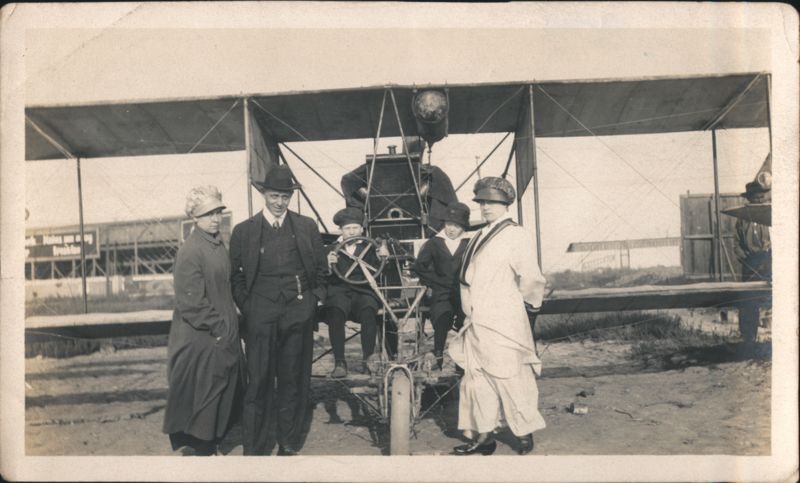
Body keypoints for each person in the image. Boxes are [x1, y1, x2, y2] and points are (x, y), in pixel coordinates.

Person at [229, 165, 327, 456]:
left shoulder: (306, 226)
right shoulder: (244, 231)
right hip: (260, 316)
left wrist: (313, 302)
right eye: (274, 196)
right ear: (264, 195)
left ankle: (288, 443)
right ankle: (256, 448)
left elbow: (322, 271)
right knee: (258, 381)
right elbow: (236, 277)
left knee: (293, 380)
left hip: (298, 313)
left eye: (285, 196)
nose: (279, 202)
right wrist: (249, 307)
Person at [447, 176, 546, 456]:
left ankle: (523, 433)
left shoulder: (516, 235)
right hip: (476, 321)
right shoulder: (478, 235)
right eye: (482, 202)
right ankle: (483, 435)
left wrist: (530, 311)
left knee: (509, 376)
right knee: (477, 379)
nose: (486, 207)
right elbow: (467, 280)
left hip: (504, 319)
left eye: (493, 202)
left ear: (506, 204)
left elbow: (532, 278)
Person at [163, 186, 243, 456]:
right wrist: (220, 329)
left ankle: (212, 442)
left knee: (225, 389)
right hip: (202, 334)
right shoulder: (191, 250)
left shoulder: (219, 244)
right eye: (208, 214)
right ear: (195, 218)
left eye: (218, 212)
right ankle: (201, 447)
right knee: (207, 391)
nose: (215, 219)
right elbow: (190, 303)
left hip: (223, 329)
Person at [322, 207, 384, 378]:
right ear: (341, 230)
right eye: (348, 228)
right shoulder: (329, 250)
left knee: (368, 310)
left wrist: (382, 257)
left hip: (363, 290)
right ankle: (340, 362)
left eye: (355, 228)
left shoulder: (371, 248)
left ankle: (368, 360)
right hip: (339, 291)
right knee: (335, 311)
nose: (352, 232)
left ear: (362, 229)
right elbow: (321, 275)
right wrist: (328, 265)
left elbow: (381, 270)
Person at [412, 201, 471, 369]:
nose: (451, 229)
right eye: (448, 224)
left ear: (463, 227)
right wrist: (435, 282)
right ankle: (438, 355)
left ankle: (463, 359)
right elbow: (419, 267)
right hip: (441, 292)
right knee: (441, 317)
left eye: (456, 226)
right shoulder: (434, 243)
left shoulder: (469, 243)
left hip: (464, 291)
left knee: (465, 320)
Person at [734, 174, 772, 344]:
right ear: (749, 199)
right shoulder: (742, 220)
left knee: (771, 295)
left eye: (760, 197)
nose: (757, 200)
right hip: (749, 263)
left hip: (767, 260)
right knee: (748, 298)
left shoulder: (770, 215)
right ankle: (749, 336)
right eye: (754, 197)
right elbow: (736, 243)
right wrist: (744, 257)